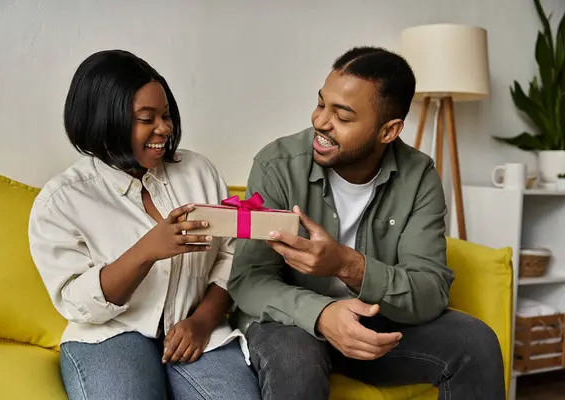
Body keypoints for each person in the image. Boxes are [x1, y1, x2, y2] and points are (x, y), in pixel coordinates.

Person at [227, 46, 505, 400]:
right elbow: (249, 279)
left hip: (376, 324)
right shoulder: (278, 164)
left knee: (475, 343)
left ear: (388, 131)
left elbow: (430, 289)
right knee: (296, 358)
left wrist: (345, 264)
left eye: (342, 117)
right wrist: (322, 313)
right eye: (320, 104)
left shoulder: (418, 175)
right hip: (291, 323)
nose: (320, 122)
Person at [29, 50, 261, 400]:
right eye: (146, 118)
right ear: (104, 121)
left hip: (197, 327)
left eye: (166, 115)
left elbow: (231, 257)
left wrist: (202, 321)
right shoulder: (61, 200)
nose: (165, 128)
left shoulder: (199, 173)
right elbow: (78, 303)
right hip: (109, 335)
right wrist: (145, 252)